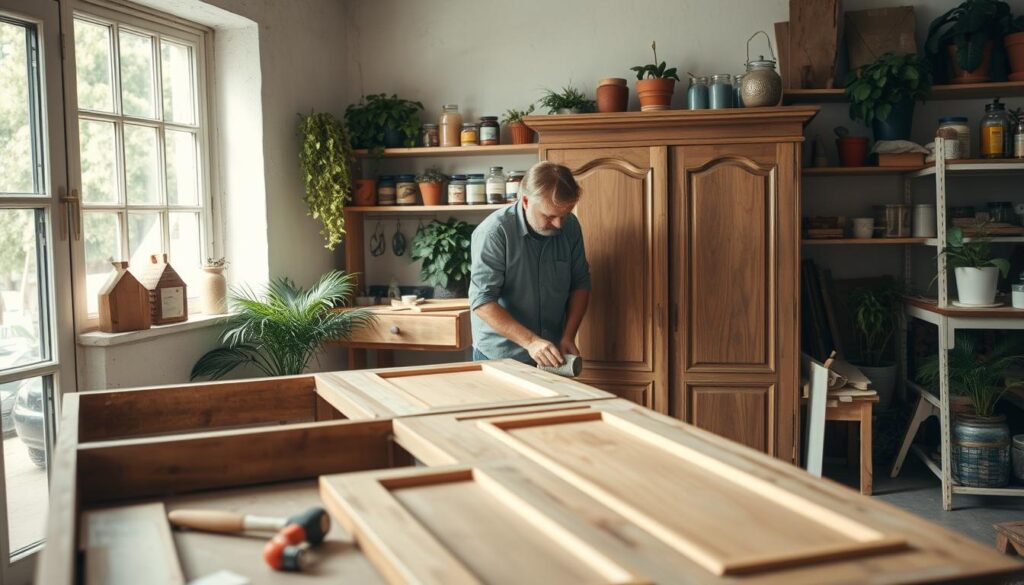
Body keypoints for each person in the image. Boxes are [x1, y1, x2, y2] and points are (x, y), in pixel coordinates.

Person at [469, 161, 591, 367]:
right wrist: (531, 342)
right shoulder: (494, 232)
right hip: (501, 353)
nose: (559, 224)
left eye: (564, 214)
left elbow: (580, 284)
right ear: (525, 201)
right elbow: (482, 301)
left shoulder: (570, 226)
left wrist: (568, 336)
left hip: (550, 353)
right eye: (549, 216)